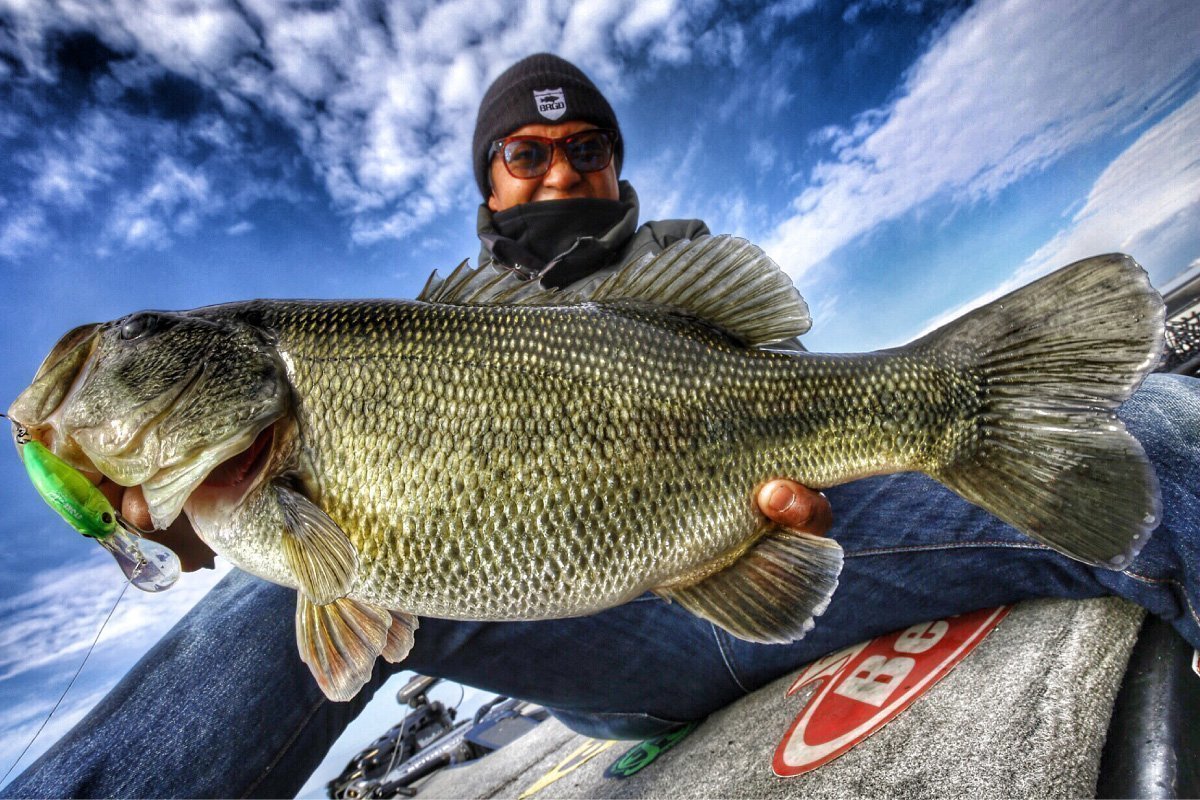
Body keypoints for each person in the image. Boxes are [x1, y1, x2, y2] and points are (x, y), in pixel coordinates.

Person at [3, 53, 1198, 800]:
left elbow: (794, 464)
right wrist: (180, 525)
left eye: (587, 149)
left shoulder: (677, 278)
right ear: (491, 181)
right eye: (528, 153)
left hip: (750, 576)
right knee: (267, 588)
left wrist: (782, 500)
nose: (560, 171)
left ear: (616, 167)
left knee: (1144, 415)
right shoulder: (374, 360)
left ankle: (966, 411)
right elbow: (247, 560)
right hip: (600, 659)